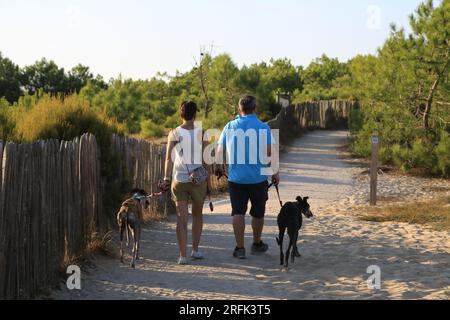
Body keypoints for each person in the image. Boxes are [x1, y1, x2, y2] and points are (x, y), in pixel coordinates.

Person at [216, 95, 280, 259]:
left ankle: (239, 248)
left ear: (239, 109)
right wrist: (275, 172)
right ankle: (257, 243)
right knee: (258, 213)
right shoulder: (263, 127)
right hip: (258, 178)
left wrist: (219, 166)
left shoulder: (229, 126)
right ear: (255, 108)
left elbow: (219, 151)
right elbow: (270, 152)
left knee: (238, 212)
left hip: (236, 178)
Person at [162, 101, 210, 265]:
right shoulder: (202, 133)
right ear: (195, 114)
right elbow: (206, 160)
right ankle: (195, 250)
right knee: (197, 215)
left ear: (180, 114)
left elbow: (168, 159)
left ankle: (182, 255)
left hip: (179, 180)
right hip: (198, 180)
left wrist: (166, 179)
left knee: (182, 218)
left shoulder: (173, 133)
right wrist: (207, 179)